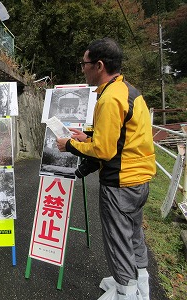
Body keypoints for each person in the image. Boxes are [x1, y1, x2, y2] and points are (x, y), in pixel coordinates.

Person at [56, 38, 156, 300]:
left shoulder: (109, 98)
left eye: (85, 64)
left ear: (99, 66)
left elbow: (105, 151)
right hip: (139, 180)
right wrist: (87, 135)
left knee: (118, 242)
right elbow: (121, 138)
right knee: (133, 236)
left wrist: (70, 144)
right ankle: (140, 285)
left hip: (120, 184)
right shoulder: (127, 91)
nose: (83, 69)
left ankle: (126, 292)